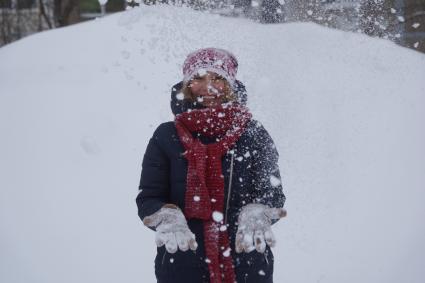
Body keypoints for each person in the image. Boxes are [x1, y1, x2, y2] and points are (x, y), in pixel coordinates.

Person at [136, 47, 286, 283]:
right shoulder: (166, 136)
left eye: (218, 78)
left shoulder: (253, 134)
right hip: (182, 266)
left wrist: (258, 211)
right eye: (198, 78)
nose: (209, 88)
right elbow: (149, 197)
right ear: (186, 85)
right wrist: (167, 216)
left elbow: (272, 193)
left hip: (247, 266)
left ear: (231, 85)